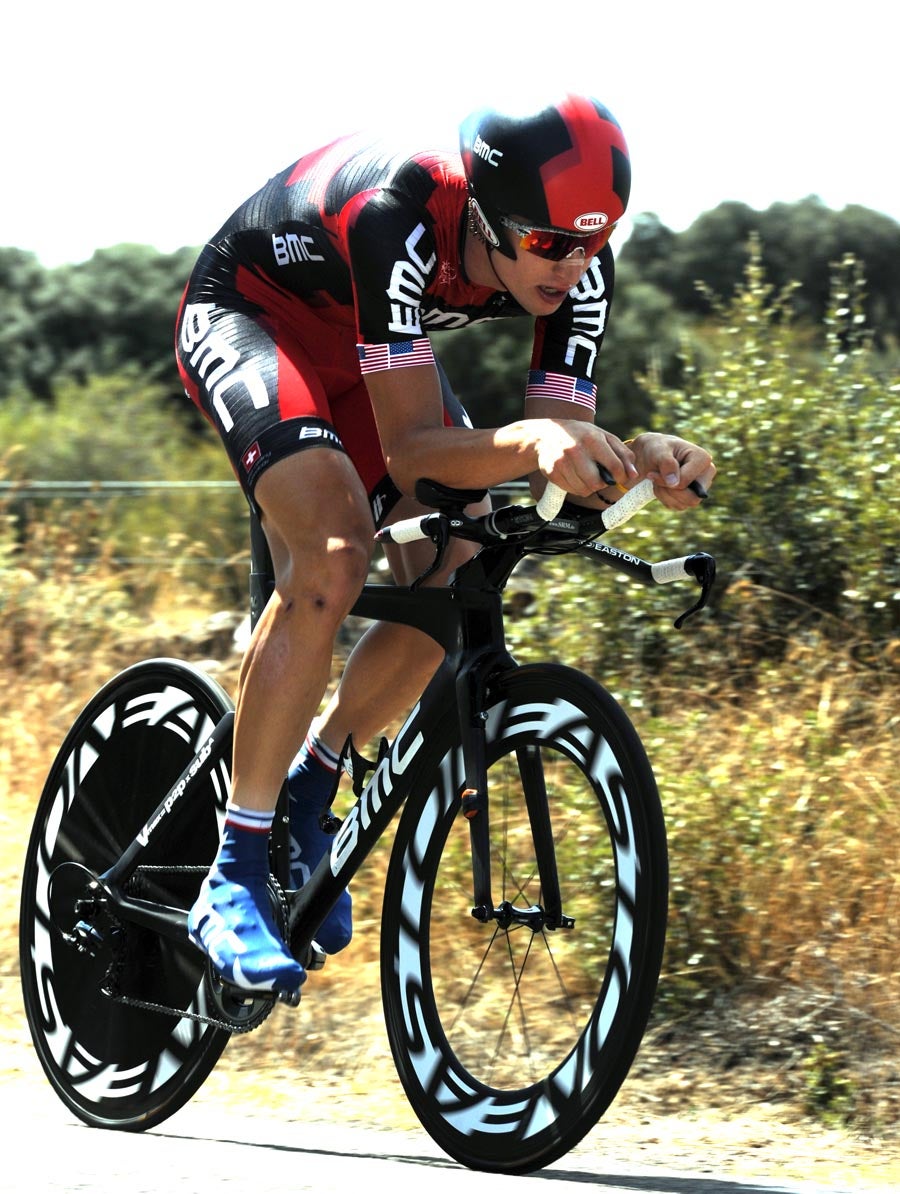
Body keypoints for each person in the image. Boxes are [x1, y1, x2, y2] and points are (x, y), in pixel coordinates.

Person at [174, 93, 716, 997]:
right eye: (549, 243)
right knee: (336, 553)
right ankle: (232, 869)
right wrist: (535, 442)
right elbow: (415, 450)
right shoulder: (402, 209)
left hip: (361, 357)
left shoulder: (576, 260)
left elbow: (552, 448)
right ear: (487, 215)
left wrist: (633, 455)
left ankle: (315, 779)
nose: (576, 264)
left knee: (459, 565)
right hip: (254, 318)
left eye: (596, 240)